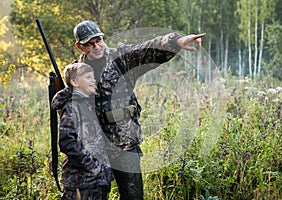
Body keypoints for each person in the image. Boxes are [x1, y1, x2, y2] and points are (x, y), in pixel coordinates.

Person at [57, 20, 204, 200]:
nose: (96, 46)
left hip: (124, 144)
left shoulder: (122, 59)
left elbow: (147, 50)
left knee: (132, 195)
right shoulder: (77, 71)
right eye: (90, 43)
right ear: (79, 46)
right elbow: (69, 104)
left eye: (99, 40)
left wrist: (176, 42)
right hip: (94, 148)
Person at [51, 62, 114, 200]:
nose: (93, 80)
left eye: (93, 77)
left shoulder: (87, 103)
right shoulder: (72, 107)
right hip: (82, 182)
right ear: (74, 82)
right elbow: (67, 142)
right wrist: (92, 165)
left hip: (96, 180)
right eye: (88, 77)